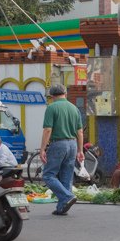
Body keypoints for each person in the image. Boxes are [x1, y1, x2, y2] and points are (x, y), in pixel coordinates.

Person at [40, 83, 84, 216]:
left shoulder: (51, 107)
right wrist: (80, 150)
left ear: (52, 96)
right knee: (66, 176)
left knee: (48, 175)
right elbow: (80, 132)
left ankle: (67, 197)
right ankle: (61, 208)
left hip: (58, 143)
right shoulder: (74, 108)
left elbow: (48, 130)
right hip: (73, 144)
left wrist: (42, 149)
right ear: (65, 94)